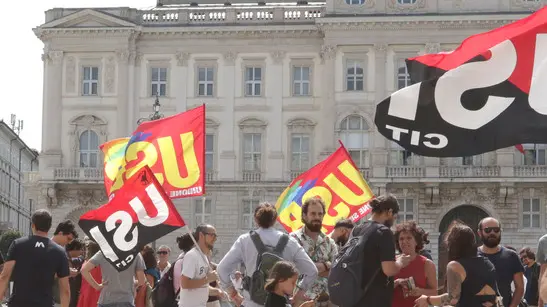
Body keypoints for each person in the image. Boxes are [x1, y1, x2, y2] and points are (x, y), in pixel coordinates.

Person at [217, 202, 317, 307]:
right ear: (275, 220)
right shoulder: (290, 242)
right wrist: (298, 294)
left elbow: (222, 268)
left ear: (256, 220)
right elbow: (312, 271)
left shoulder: (244, 240)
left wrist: (233, 293)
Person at [415, 221, 499, 307]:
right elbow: (494, 296)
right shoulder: (488, 263)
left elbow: (453, 299)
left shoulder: (455, 266)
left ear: (453, 243)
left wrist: (428, 300)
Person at [349, 194, 411, 306]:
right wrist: (400, 262)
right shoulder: (384, 232)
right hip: (375, 300)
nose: (394, 221)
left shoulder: (356, 230)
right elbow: (388, 269)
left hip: (355, 297)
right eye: (395, 217)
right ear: (389, 212)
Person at [0, 209, 70, 307]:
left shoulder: (18, 244)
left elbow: (4, 276)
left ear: (32, 225)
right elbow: (65, 288)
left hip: (18, 303)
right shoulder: (59, 252)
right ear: (49, 227)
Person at [289, 197, 338, 306]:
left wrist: (308, 268)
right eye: (313, 214)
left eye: (320, 214)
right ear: (304, 216)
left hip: (326, 302)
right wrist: (326, 265)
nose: (317, 217)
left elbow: (336, 272)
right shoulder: (293, 239)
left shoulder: (329, 242)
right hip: (300, 301)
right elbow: (291, 269)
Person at [477, 217, 524, 307]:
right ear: (479, 233)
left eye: (496, 230)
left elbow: (520, 287)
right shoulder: (472, 256)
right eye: (487, 230)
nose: (492, 233)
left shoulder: (511, 256)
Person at [391, 221, 438, 307]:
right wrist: (396, 283)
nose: (404, 241)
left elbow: (434, 292)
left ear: (416, 241)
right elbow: (380, 289)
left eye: (409, 238)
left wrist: (420, 291)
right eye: (401, 239)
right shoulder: (391, 262)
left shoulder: (427, 264)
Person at [80, 246, 146, 307]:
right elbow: (142, 281)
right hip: (127, 300)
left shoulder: (104, 252)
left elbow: (84, 270)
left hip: (106, 300)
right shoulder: (136, 254)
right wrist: (133, 283)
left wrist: (97, 286)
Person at [180, 224, 222, 307]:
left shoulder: (204, 257)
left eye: (216, 236)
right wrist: (207, 279)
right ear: (201, 235)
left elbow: (201, 285)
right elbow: (184, 284)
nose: (215, 238)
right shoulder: (192, 256)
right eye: (212, 235)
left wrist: (217, 292)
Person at [77, 241, 101, 307]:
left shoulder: (88, 262)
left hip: (91, 291)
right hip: (91, 291)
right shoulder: (100, 262)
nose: (85, 251)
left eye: (87, 249)